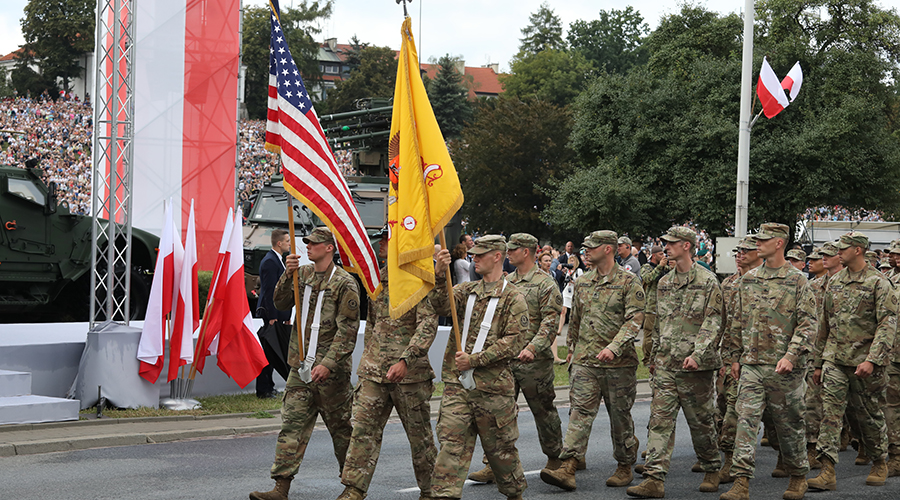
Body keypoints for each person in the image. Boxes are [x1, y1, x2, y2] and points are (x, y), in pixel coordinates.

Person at [250, 227, 360, 500]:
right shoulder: (304, 275)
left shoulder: (345, 283)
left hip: (330, 374)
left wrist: (328, 364)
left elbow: (347, 332)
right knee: (291, 427)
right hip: (300, 368)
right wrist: (288, 275)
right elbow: (281, 301)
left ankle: (353, 487)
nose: (307, 246)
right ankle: (281, 487)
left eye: (314, 243)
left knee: (342, 431)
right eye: (307, 242)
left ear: (329, 248)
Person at [335, 228, 439, 500]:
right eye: (380, 240)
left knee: (420, 438)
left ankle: (431, 491)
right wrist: (368, 358)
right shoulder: (376, 279)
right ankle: (354, 489)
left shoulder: (416, 279)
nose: (380, 245)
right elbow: (372, 323)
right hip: (374, 371)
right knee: (362, 431)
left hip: (409, 374)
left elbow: (428, 324)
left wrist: (407, 359)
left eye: (385, 240)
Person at [541, 230, 644, 491]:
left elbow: (634, 321)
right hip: (586, 362)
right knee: (580, 414)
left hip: (618, 365)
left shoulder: (628, 283)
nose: (585, 251)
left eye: (591, 247)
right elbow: (575, 321)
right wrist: (572, 351)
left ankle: (624, 464)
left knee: (619, 418)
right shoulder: (583, 282)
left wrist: (614, 346)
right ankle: (569, 466)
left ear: (608, 249)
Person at [719, 223, 816, 500]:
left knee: (789, 425)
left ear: (779, 243)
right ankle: (741, 482)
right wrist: (734, 357)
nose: (757, 244)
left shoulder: (798, 280)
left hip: (785, 369)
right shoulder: (748, 280)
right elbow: (737, 321)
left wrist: (791, 355)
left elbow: (808, 324)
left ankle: (798, 476)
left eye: (763, 240)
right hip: (751, 365)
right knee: (744, 421)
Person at [626, 226, 723, 498]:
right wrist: (655, 355)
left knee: (701, 422)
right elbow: (657, 323)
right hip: (668, 364)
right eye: (664, 243)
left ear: (687, 246)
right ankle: (654, 478)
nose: (665, 247)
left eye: (671, 243)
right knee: (660, 420)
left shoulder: (707, 281)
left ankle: (712, 467)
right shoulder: (665, 282)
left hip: (696, 368)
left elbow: (714, 321)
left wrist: (699, 353)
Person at [431, 235, 529, 500]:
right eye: (473, 254)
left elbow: (514, 342)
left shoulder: (513, 298)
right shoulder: (466, 291)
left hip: (493, 389)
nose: (474, 258)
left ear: (497, 256)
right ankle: (443, 495)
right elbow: (440, 305)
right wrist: (440, 275)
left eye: (480, 254)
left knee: (501, 453)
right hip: (457, 385)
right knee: (451, 448)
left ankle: (514, 493)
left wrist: (475, 360)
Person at [467, 233, 564, 484]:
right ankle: (494, 463)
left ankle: (555, 459)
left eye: (514, 249)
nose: (508, 253)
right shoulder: (506, 281)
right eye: (507, 249)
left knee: (544, 412)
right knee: (500, 414)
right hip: (507, 361)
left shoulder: (545, 284)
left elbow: (550, 323)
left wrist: (533, 348)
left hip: (534, 363)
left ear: (527, 252)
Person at [809, 231, 896, 491]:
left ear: (858, 250)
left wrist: (873, 359)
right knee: (830, 415)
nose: (839, 253)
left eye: (843, 249)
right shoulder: (834, 282)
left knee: (868, 416)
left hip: (867, 364)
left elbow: (887, 324)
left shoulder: (879, 283)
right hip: (835, 361)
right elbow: (824, 325)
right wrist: (817, 362)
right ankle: (827, 471)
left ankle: (880, 461)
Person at [717, 236, 760, 484]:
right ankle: (730, 461)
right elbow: (722, 322)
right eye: (738, 251)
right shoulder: (729, 284)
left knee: (778, 418)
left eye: (746, 250)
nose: (740, 254)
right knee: (728, 410)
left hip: (763, 359)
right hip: (732, 357)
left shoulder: (766, 282)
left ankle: (788, 457)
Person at [255, 229, 292, 399]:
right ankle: (264, 389)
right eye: (287, 241)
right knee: (269, 353)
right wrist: (272, 316)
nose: (289, 244)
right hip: (272, 316)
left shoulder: (277, 260)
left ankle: (268, 386)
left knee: (273, 353)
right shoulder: (270, 261)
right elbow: (269, 291)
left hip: (279, 315)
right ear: (279, 243)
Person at [556, 255, 583, 364]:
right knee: (563, 311)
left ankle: (574, 331)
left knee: (574, 313)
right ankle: (560, 329)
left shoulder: (579, 270)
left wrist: (573, 281)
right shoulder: (567, 270)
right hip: (567, 292)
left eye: (573, 261)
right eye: (569, 261)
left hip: (575, 293)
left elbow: (580, 282)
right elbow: (561, 280)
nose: (571, 262)